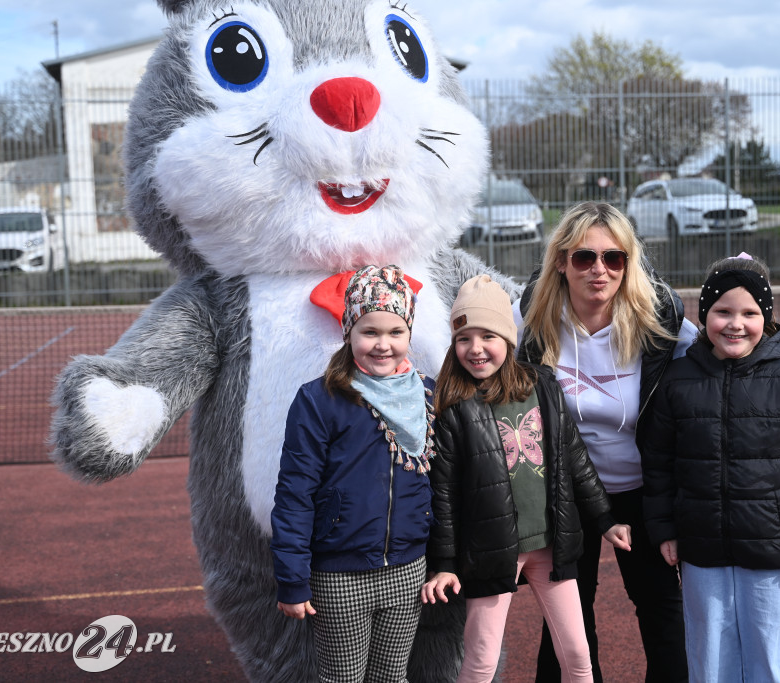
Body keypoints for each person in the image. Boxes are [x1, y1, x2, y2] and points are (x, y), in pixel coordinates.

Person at [642, 254, 780, 683]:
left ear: (766, 317)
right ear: (704, 315)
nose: (735, 324)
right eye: (722, 312)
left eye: (749, 313)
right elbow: (659, 463)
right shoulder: (678, 380)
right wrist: (664, 529)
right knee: (709, 660)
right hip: (701, 550)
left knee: (772, 660)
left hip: (773, 553)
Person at [515, 202, 697, 683]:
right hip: (566, 490)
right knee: (571, 609)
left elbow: (722, 358)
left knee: (660, 604)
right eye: (584, 257)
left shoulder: (660, 320)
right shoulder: (532, 318)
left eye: (614, 258)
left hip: (642, 489)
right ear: (561, 261)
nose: (600, 269)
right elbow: (477, 358)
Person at [424, 274, 633, 683]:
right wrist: (444, 563)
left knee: (576, 653)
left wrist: (606, 519)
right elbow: (443, 494)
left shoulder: (543, 385)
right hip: (490, 552)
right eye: (464, 337)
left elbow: (575, 458)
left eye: (488, 335)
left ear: (508, 338)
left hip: (550, 546)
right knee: (481, 660)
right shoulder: (454, 408)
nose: (476, 348)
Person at [270, 264, 435, 682]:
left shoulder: (429, 394)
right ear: (349, 332)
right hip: (339, 575)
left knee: (391, 677)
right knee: (342, 678)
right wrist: (293, 580)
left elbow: (444, 482)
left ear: (409, 334)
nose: (383, 345)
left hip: (407, 569)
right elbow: (295, 493)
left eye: (395, 332)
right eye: (370, 332)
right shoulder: (318, 400)